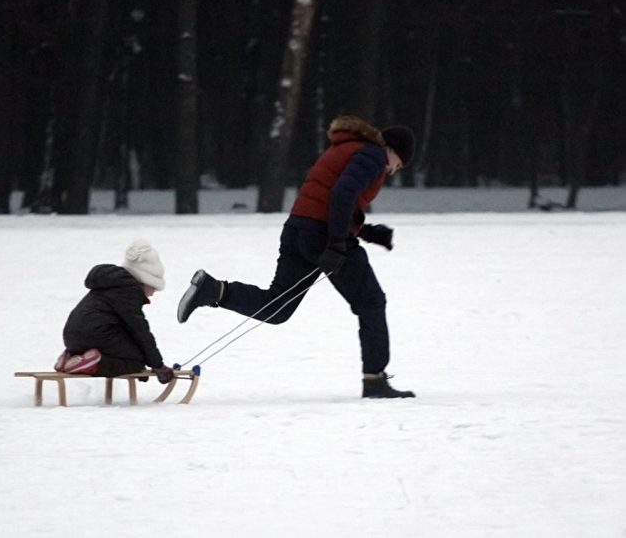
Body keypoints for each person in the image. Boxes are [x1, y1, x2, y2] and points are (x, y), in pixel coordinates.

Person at [177, 115, 417, 398]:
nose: (391, 171)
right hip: (323, 235)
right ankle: (375, 380)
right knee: (371, 301)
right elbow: (342, 194)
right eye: (397, 165)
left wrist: (365, 231)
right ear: (391, 149)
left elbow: (330, 197)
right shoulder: (373, 155)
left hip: (298, 228)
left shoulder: (347, 148)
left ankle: (214, 290)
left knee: (278, 307)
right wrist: (338, 243)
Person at [54, 240, 175, 385]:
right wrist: (157, 365)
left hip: (72, 337)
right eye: (153, 287)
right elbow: (139, 330)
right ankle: (92, 365)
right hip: (97, 336)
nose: (153, 293)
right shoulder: (128, 291)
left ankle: (70, 359)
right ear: (144, 281)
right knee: (135, 360)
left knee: (134, 356)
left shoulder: (112, 284)